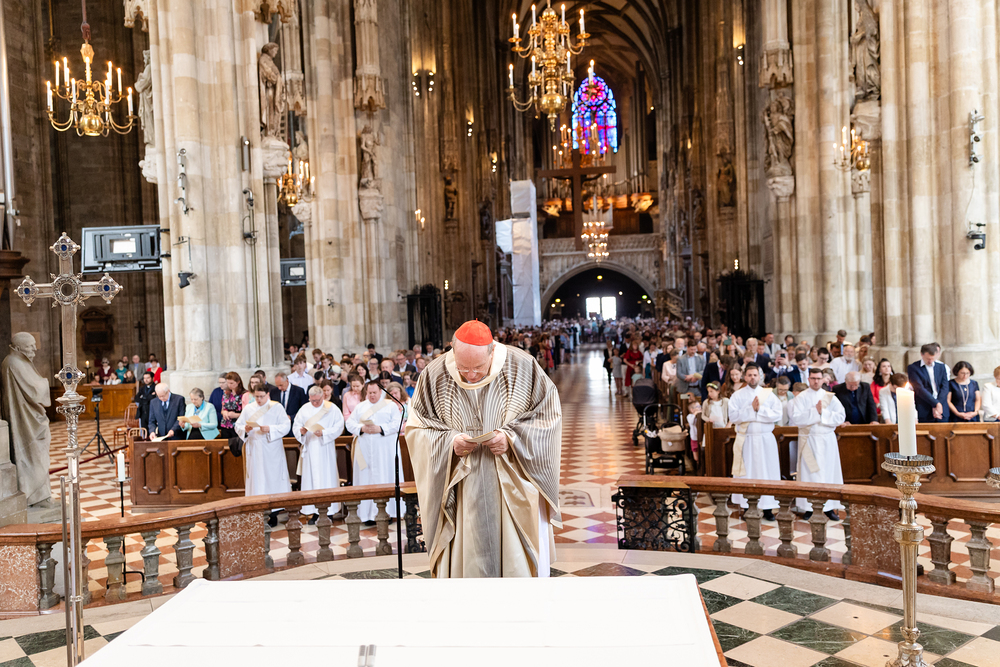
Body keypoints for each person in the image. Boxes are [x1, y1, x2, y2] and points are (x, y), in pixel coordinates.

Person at [407, 319, 561, 578]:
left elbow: (548, 415)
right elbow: (418, 426)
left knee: (514, 564)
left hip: (511, 481)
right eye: (463, 367)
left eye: (478, 367)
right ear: (452, 350)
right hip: (460, 485)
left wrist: (511, 438)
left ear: (492, 351)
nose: (471, 375)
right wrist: (449, 442)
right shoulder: (435, 374)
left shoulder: (522, 366)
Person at [789, 368, 845, 520]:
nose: (815, 381)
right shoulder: (801, 397)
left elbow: (841, 416)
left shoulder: (829, 397)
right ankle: (809, 508)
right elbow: (796, 418)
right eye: (813, 378)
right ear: (808, 379)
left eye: (818, 378)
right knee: (810, 474)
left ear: (822, 380)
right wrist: (815, 412)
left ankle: (829, 508)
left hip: (827, 440)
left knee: (828, 473)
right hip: (809, 440)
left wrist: (822, 413)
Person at [346, 381, 406, 523]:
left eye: (374, 392)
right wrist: (361, 428)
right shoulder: (360, 407)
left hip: (385, 452)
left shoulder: (390, 406)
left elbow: (398, 424)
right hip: (365, 451)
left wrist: (381, 428)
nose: (372, 395)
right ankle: (367, 515)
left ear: (380, 392)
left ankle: (388, 513)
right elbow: (349, 423)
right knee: (366, 480)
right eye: (370, 393)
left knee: (385, 478)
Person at [728, 364, 782, 521]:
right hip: (746, 440)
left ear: (760, 376)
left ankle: (768, 508)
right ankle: (747, 507)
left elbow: (777, 414)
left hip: (765, 440)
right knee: (747, 473)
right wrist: (751, 409)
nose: (752, 378)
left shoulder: (768, 395)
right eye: (750, 375)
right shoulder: (737, 395)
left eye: (755, 375)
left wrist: (759, 410)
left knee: (767, 473)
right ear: (745, 377)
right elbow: (733, 417)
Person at [235, 385, 292, 524]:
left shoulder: (276, 407)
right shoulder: (249, 408)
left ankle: (274, 513)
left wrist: (271, 429)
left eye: (261, 396)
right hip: (254, 448)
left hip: (271, 449)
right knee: (257, 479)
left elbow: (286, 425)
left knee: (272, 479)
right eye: (256, 396)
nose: (259, 399)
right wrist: (245, 429)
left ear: (268, 395)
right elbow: (238, 425)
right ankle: (257, 511)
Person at [293, 385, 346, 523]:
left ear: (323, 397)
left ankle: (329, 512)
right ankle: (314, 512)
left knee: (327, 479)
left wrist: (324, 433)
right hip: (310, 448)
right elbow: (296, 426)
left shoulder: (331, 408)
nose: (315, 403)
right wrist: (301, 432)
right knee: (311, 480)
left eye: (318, 400)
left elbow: (339, 426)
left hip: (325, 449)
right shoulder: (304, 409)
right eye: (313, 401)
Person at [907, 343, 951, 422]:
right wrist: (935, 403)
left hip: (941, 408)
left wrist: (938, 404)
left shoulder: (941, 367)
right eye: (928, 359)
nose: (930, 361)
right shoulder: (913, 368)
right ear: (922, 354)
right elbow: (919, 388)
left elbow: (945, 387)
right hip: (925, 408)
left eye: (932, 358)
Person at [219, 372, 246, 440]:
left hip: (238, 423)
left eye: (231, 383)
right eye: (228, 383)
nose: (229, 385)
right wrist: (224, 412)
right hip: (226, 424)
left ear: (238, 382)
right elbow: (222, 409)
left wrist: (235, 415)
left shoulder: (244, 394)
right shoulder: (226, 394)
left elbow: (247, 412)